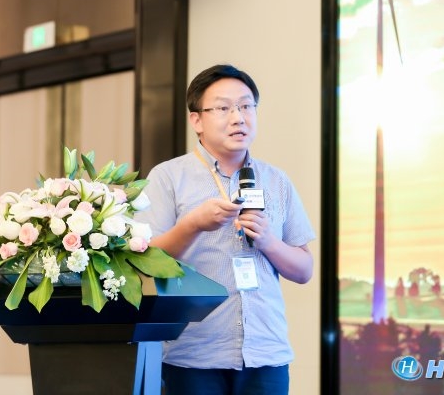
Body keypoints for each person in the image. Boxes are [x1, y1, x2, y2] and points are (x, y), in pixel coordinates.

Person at [135, 64, 316, 395]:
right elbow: (145, 260)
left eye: (246, 106)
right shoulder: (168, 177)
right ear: (197, 120)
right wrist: (192, 225)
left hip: (266, 353)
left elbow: (304, 270)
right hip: (193, 353)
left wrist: (269, 241)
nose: (238, 118)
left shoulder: (276, 180)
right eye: (223, 108)